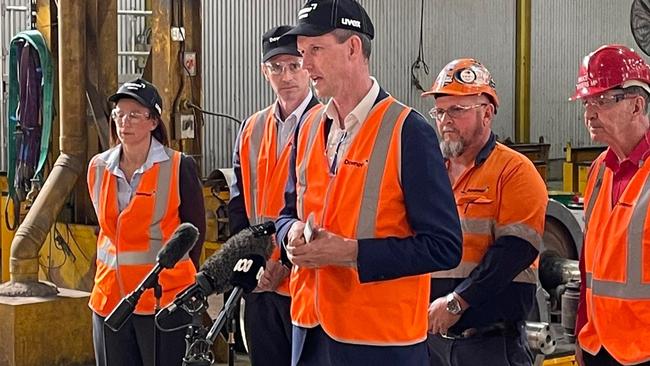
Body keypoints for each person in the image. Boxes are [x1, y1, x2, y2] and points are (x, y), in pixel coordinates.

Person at [274, 0, 463, 365]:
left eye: (315, 49)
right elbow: (284, 213)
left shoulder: (408, 132)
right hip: (309, 331)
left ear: (353, 48)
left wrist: (350, 253)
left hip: (380, 343)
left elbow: (444, 247)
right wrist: (292, 233)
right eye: (302, 52)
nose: (305, 64)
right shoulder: (309, 128)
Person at [420, 58, 547, 366]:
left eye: (457, 110)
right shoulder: (430, 171)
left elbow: (513, 252)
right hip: (429, 341)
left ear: (487, 113)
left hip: (489, 346)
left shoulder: (514, 170)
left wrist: (457, 302)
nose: (445, 120)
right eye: (440, 111)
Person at [87, 78, 205, 366]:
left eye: (135, 115)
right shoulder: (98, 167)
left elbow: (195, 235)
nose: (124, 122)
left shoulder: (178, 166)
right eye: (119, 114)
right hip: (110, 301)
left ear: (153, 121)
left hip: (164, 302)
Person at [228, 25, 319, 366]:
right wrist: (255, 263)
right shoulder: (251, 128)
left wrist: (283, 264)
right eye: (276, 67)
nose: (287, 76)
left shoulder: (329, 125)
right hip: (260, 285)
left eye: (294, 65)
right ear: (265, 72)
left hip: (307, 285)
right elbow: (238, 206)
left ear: (308, 68)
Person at [571, 44, 650, 366]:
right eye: (587, 102)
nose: (590, 113)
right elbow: (588, 267)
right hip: (598, 347)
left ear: (636, 106)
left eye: (602, 101)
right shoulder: (600, 171)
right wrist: (580, 333)